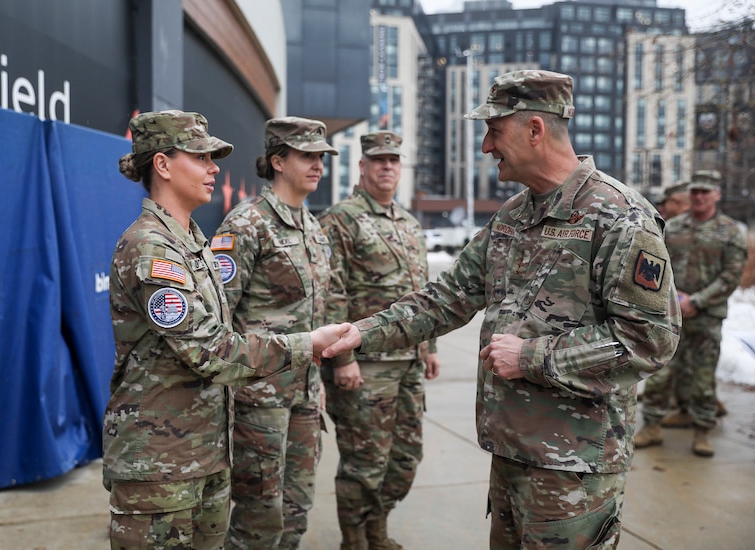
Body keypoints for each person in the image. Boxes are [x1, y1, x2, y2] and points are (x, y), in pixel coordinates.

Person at [321, 70, 681, 548]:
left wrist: (532, 357)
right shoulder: (514, 216)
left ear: (535, 129)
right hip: (510, 451)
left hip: (573, 466)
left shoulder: (618, 217)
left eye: (494, 131)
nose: (486, 147)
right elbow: (447, 297)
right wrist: (364, 332)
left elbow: (650, 339)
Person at [103, 110, 342, 550]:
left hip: (205, 454)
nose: (215, 168)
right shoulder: (150, 248)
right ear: (163, 165)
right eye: (201, 157)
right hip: (160, 464)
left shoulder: (191, 241)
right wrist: (305, 346)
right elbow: (209, 348)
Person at [212, 116, 337, 549]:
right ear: (278, 161)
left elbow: (316, 313)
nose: (318, 164)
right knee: (258, 516)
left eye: (321, 157)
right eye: (307, 155)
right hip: (258, 398)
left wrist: (316, 383)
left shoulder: (314, 229)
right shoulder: (247, 223)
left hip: (303, 393)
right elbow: (218, 313)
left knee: (296, 509)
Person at [317, 131, 441, 550]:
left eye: (394, 160)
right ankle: (355, 540)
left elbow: (422, 293)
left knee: (404, 458)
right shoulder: (341, 219)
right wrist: (342, 358)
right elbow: (330, 292)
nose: (388, 166)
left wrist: (430, 346)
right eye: (379, 160)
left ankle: (377, 530)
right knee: (364, 461)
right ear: (363, 167)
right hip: (365, 364)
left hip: (407, 361)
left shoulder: (407, 222)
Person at [634, 170, 747, 457]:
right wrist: (674, 298)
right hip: (672, 315)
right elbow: (657, 265)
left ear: (716, 195)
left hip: (707, 316)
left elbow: (731, 275)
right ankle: (651, 427)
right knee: (660, 373)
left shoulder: (730, 231)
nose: (699, 197)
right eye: (695, 192)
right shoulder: (673, 228)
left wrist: (697, 301)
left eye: (705, 192)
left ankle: (701, 431)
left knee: (703, 377)